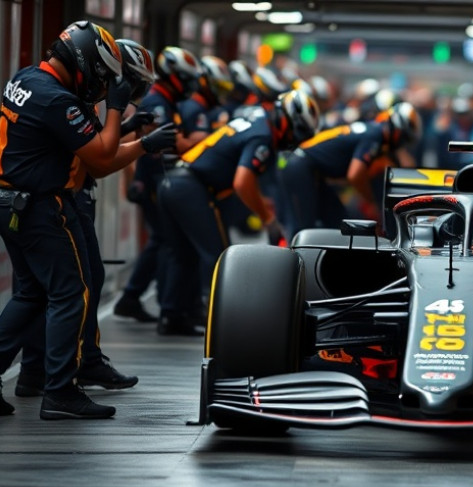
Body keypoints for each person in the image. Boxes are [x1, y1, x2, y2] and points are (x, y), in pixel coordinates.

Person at [0, 21, 175, 419]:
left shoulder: (27, 79)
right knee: (71, 293)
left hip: (11, 202)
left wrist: (129, 132)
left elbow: (83, 145)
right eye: (101, 76)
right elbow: (99, 159)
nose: (101, 85)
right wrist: (116, 110)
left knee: (31, 294)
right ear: (85, 62)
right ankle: (61, 391)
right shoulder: (57, 100)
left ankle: (39, 377)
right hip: (40, 208)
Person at [154, 89, 320, 335]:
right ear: (287, 121)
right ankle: (220, 321)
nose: (295, 138)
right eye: (298, 131)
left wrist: (261, 202)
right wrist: (267, 218)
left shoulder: (256, 119)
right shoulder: (263, 136)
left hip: (173, 180)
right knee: (219, 256)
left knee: (182, 254)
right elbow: (242, 182)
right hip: (191, 187)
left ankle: (172, 315)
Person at [112, 45, 204, 324]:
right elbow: (166, 143)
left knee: (163, 241)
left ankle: (140, 298)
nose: (190, 86)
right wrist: (202, 139)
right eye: (187, 80)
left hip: (155, 180)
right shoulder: (157, 103)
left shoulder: (165, 101)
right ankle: (138, 298)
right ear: (174, 77)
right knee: (164, 241)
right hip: (151, 182)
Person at [279, 101, 421, 239]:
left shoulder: (372, 130)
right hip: (301, 167)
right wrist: (370, 202)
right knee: (304, 228)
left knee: (337, 220)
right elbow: (355, 175)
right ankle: (291, 254)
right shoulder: (375, 135)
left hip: (308, 168)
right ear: (398, 131)